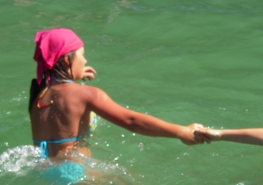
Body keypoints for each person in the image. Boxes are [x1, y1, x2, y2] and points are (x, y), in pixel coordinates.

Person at [29, 28, 203, 162]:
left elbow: (62, 92)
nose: (85, 61)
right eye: (82, 55)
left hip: (44, 168)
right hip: (75, 170)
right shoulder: (88, 95)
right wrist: (182, 131)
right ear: (68, 60)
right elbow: (132, 121)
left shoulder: (38, 93)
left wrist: (74, 74)